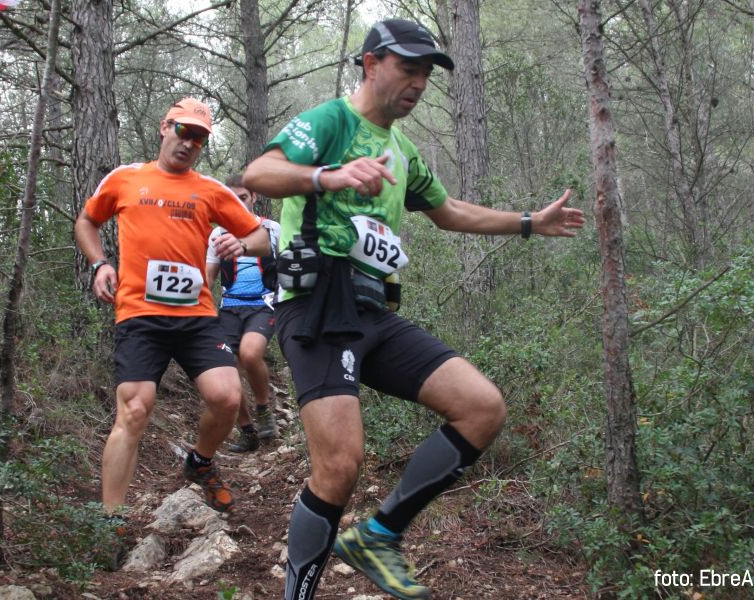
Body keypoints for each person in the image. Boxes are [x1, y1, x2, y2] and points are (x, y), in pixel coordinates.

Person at [243, 18, 586, 600]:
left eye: (427, 73)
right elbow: (259, 172)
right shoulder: (331, 122)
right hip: (319, 309)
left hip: (374, 313)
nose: (419, 82)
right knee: (339, 468)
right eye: (409, 67)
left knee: (481, 407)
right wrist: (328, 175)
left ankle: (379, 536)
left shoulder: (402, 151)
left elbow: (450, 211)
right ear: (371, 63)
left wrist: (529, 222)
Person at [74, 97, 270, 518]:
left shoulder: (211, 191)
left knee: (227, 397)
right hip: (140, 314)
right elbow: (87, 221)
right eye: (183, 131)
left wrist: (241, 242)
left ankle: (199, 462)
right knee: (135, 408)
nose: (189, 143)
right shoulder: (126, 179)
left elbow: (261, 238)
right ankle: (112, 521)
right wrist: (99, 263)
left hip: (195, 316)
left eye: (198, 138)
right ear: (165, 127)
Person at [205, 175, 281, 452]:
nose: (238, 203)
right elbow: (208, 275)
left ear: (254, 197)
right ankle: (247, 431)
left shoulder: (271, 229)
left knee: (250, 354)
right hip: (229, 308)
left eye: (244, 197)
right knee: (223, 373)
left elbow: (288, 269)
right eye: (232, 198)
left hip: (263, 304)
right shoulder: (218, 233)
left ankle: (263, 409)